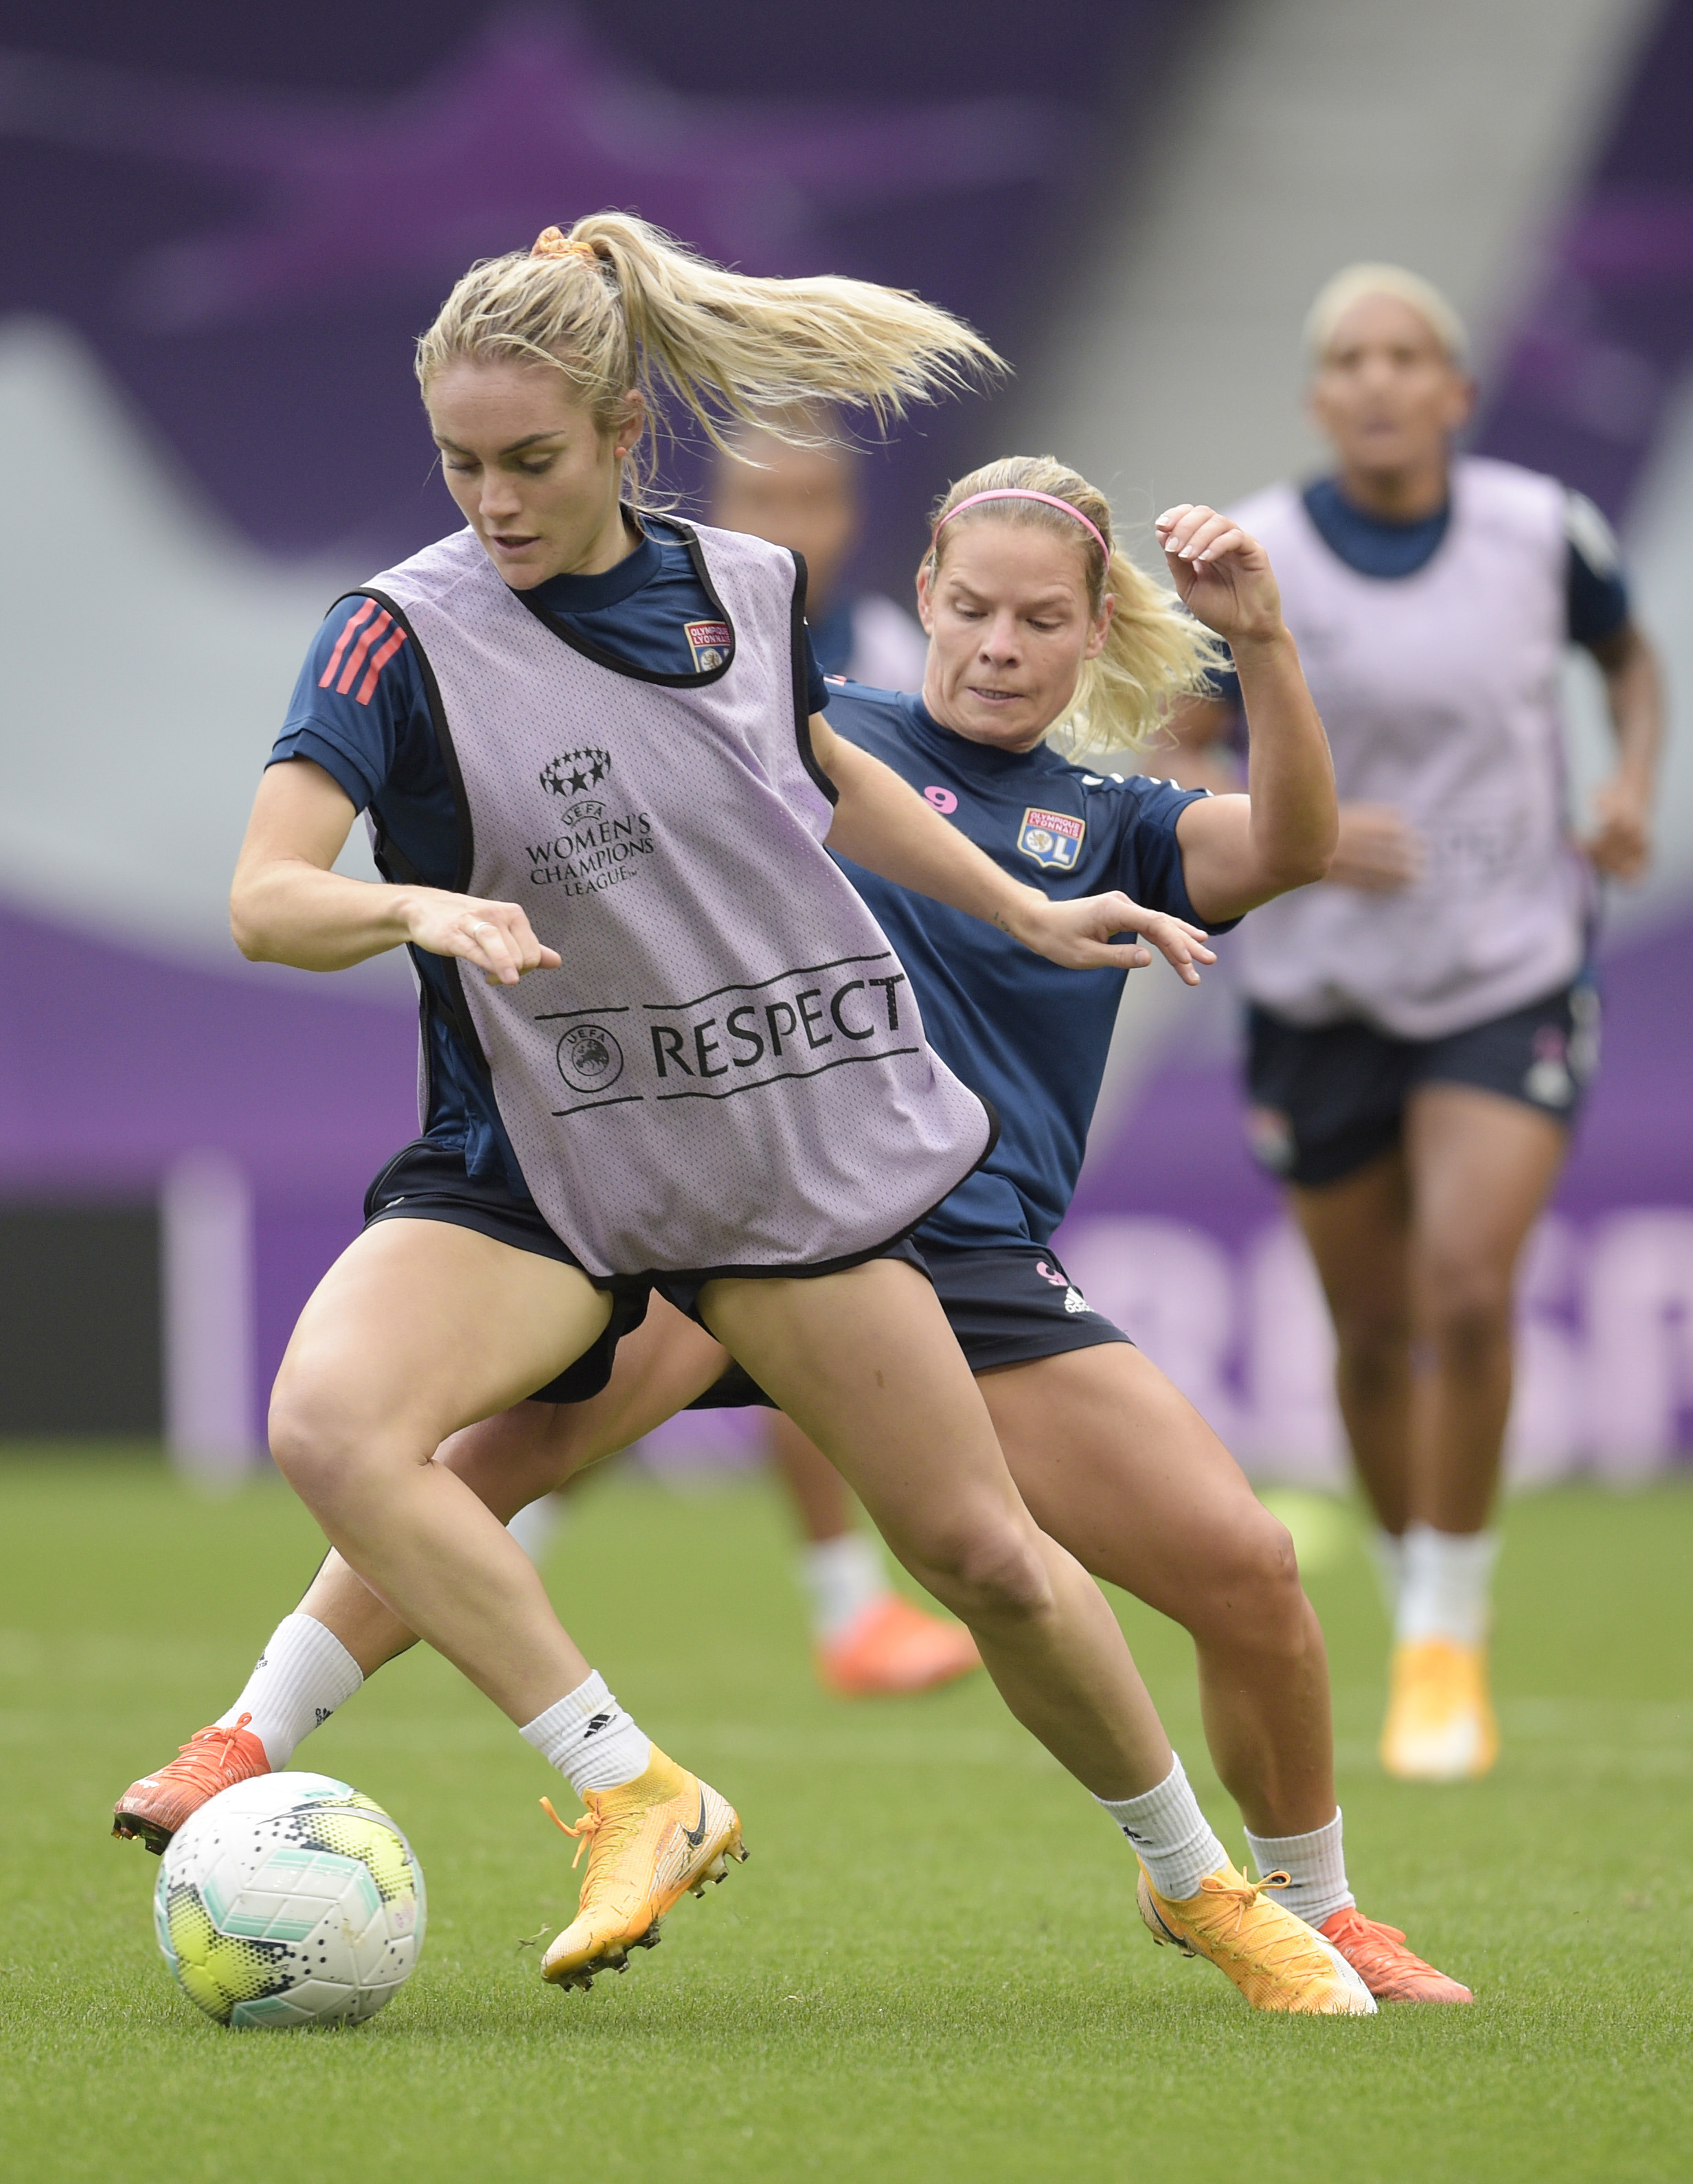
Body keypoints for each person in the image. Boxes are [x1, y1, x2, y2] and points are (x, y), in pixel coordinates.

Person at [116, 219, 1380, 2016]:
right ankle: (620, 1781)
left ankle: (1201, 1886)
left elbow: (828, 774)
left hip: (771, 1160)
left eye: (531, 459)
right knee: (344, 1423)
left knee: (987, 1560)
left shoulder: (748, 595)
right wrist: (415, 906)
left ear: (627, 429)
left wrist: (1023, 910)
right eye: (462, 461)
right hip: (545, 1162)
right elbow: (268, 896)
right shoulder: (393, 635)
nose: (493, 496)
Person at [1163, 264, 1664, 1782]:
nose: (1378, 382)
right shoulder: (1263, 554)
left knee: (1463, 1281)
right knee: (1372, 1330)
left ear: (1456, 388)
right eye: (1350, 361)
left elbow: (1630, 663)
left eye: (1408, 357)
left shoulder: (1540, 534)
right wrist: (1296, 822)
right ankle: (1411, 1589)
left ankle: (1450, 1635)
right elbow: (1179, 745)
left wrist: (1626, 784)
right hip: (1320, 990)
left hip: (1507, 965)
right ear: (1321, 398)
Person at [709, 412, 975, 1695]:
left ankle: (850, 1609)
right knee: (599, 1374)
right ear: (714, 508)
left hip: (841, 1062)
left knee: (748, 1334)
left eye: (813, 499)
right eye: (764, 500)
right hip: (692, 1059)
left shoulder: (894, 663)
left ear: (851, 516)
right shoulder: (668, 656)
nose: (791, 527)